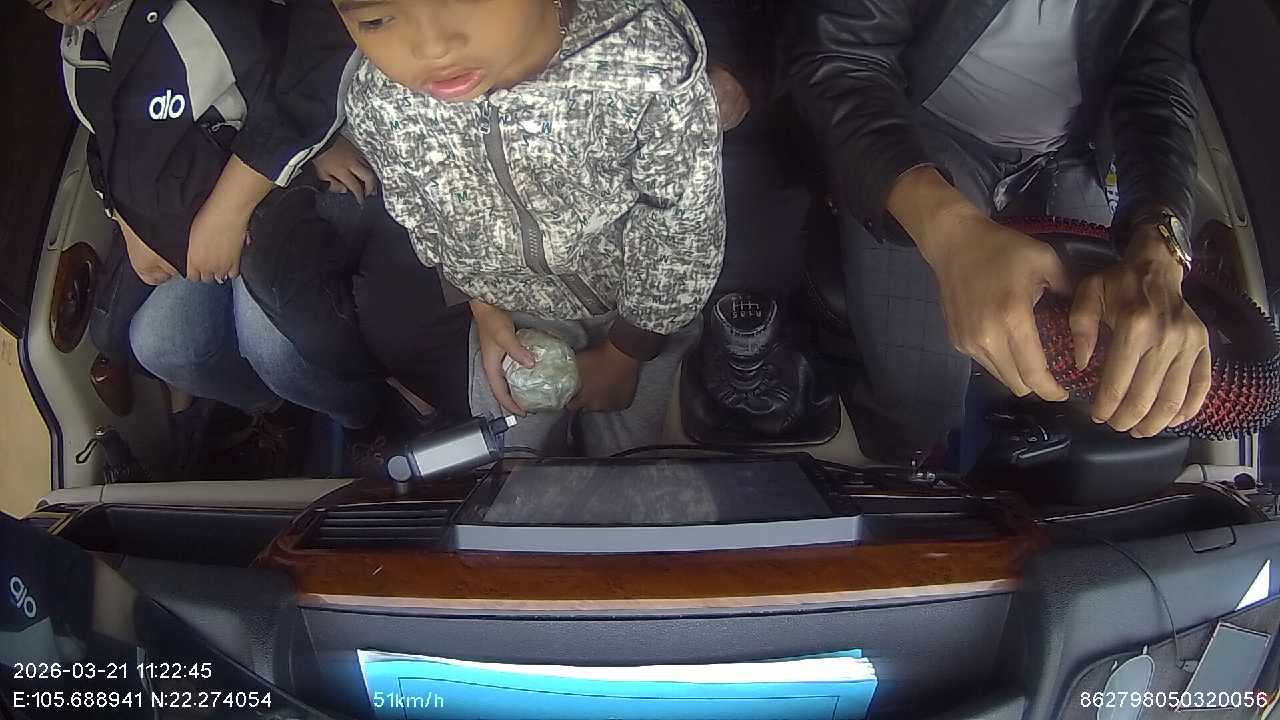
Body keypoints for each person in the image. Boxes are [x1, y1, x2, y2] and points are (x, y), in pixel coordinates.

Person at [787, 0, 1211, 463]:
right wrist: (953, 235)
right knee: (920, 399)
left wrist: (1160, 245)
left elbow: (1156, 83)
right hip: (920, 131)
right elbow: (841, 60)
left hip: (1070, 150)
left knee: (1113, 382)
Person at [333, 0, 726, 456]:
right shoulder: (380, 99)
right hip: (509, 313)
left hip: (644, 312)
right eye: (376, 20)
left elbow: (683, 220)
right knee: (512, 464)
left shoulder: (648, 65)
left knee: (640, 464)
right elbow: (419, 209)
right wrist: (483, 305)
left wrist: (629, 350)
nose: (433, 47)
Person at [33, 0, 384, 475]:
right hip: (192, 197)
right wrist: (126, 219)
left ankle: (362, 417)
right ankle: (280, 411)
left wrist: (307, 146)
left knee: (272, 344)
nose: (71, 4)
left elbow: (303, 53)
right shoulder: (79, 51)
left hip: (283, 171)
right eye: (47, 4)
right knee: (161, 344)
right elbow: (105, 142)